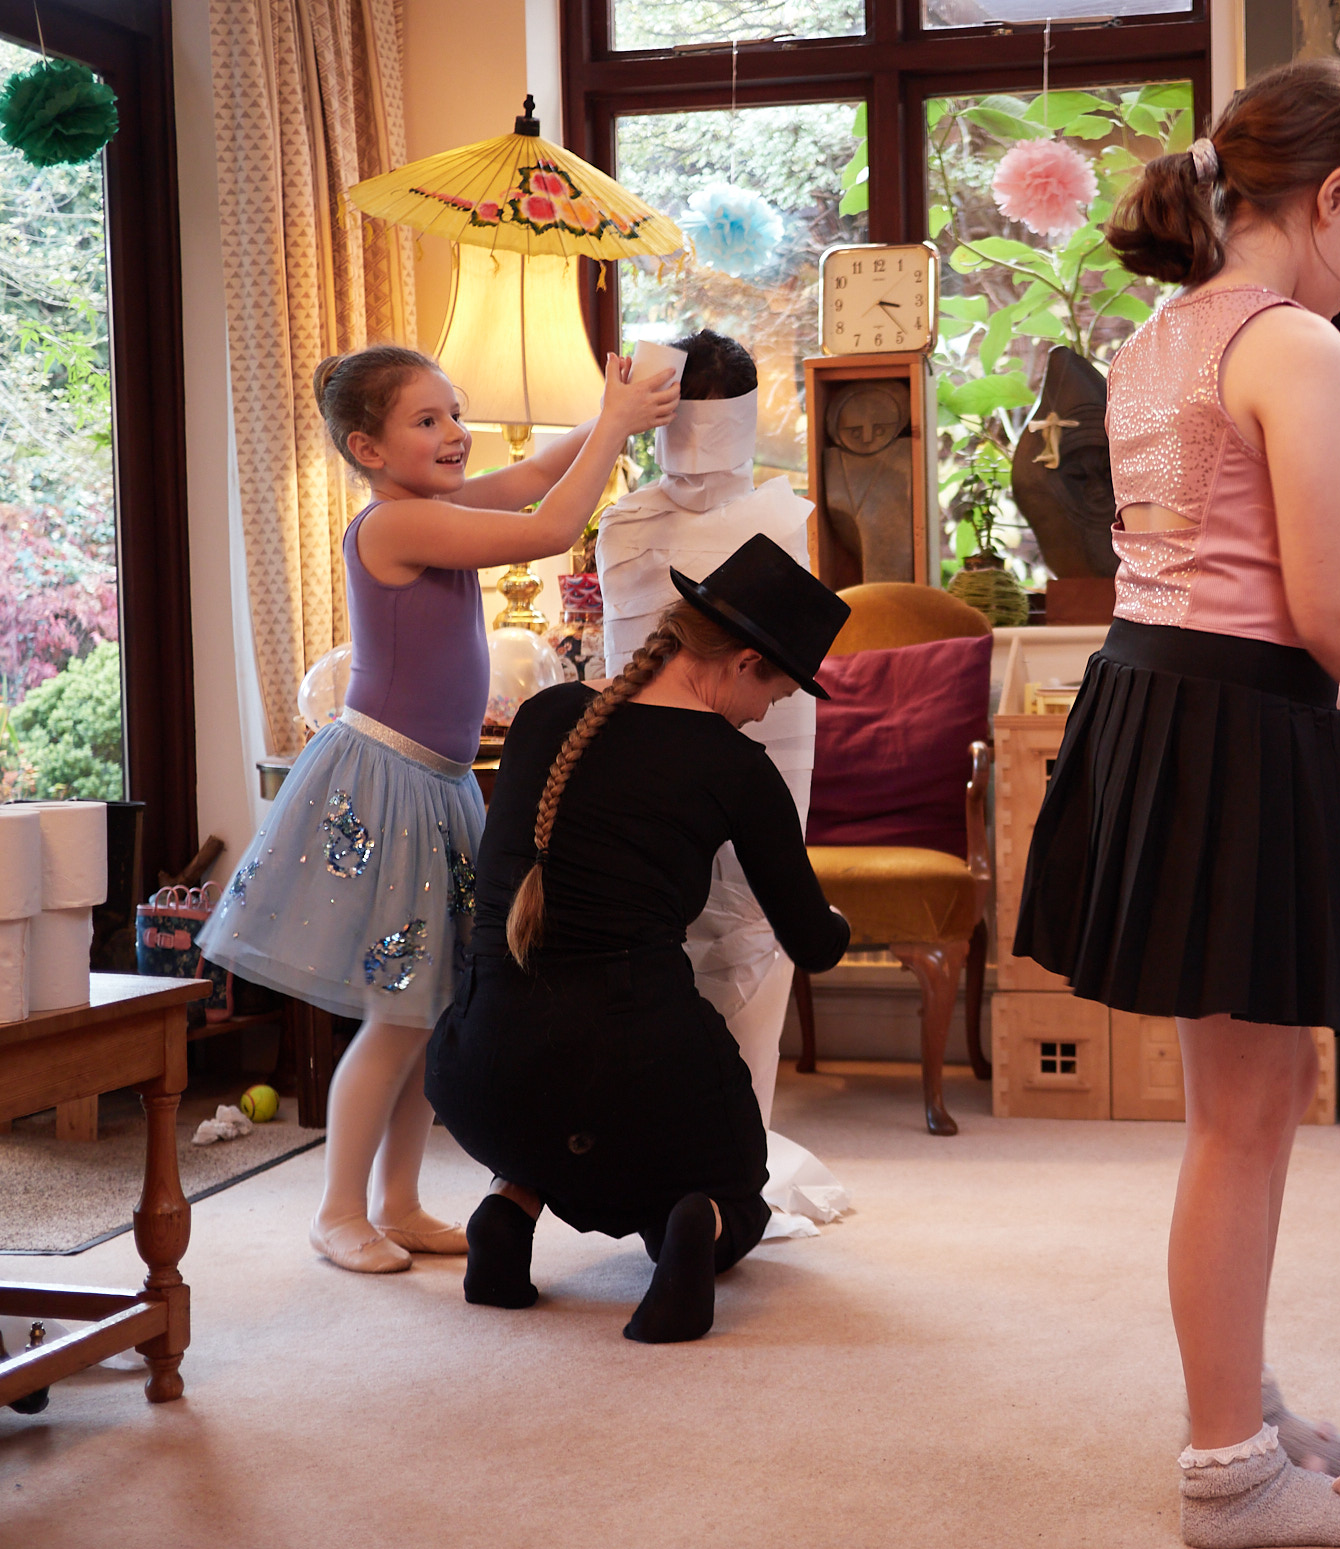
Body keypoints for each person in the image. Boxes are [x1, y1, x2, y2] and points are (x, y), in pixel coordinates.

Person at [1013, 57, 1340, 1549]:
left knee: (1232, 1115)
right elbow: (1327, 603)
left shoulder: (1158, 334)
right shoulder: (1292, 341)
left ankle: (1242, 1402)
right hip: (1235, 726)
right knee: (1244, 1125)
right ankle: (1228, 1472)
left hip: (1158, 701)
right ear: (1334, 197)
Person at [201, 344, 677, 1275]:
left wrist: (613, 414)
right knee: (396, 1017)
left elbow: (537, 476)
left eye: (455, 413)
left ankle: (399, 1201)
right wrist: (617, 428)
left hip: (439, 784)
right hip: (385, 782)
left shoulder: (437, 507)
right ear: (368, 449)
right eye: (428, 421)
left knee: (431, 1008)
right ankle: (338, 1210)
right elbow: (549, 526)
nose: (455, 433)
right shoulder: (393, 524)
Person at [424, 537, 852, 1344]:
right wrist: (841, 921)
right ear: (745, 662)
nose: (766, 712)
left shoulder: (545, 715)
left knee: (553, 1126)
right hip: (633, 1068)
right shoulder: (738, 767)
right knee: (733, 1184)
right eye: (776, 691)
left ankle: (508, 1208)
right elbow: (813, 942)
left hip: (478, 1071)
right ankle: (696, 1224)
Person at [596, 330, 818, 1132]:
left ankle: (739, 1140)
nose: (696, 463)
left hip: (766, 748)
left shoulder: (783, 521)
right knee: (658, 924)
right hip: (646, 760)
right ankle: (661, 1135)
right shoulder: (625, 523)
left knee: (752, 919)